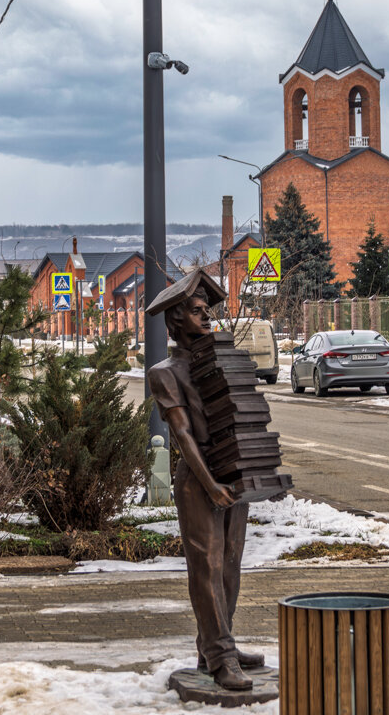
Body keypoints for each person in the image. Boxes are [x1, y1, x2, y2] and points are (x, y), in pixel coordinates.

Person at [145, 270, 262, 691]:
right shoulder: (165, 372)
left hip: (232, 473)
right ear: (176, 321)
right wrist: (210, 483)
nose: (207, 317)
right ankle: (221, 656)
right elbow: (182, 435)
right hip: (199, 481)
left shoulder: (219, 361)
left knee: (230, 563)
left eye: (207, 310)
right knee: (207, 566)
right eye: (197, 312)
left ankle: (213, 643)